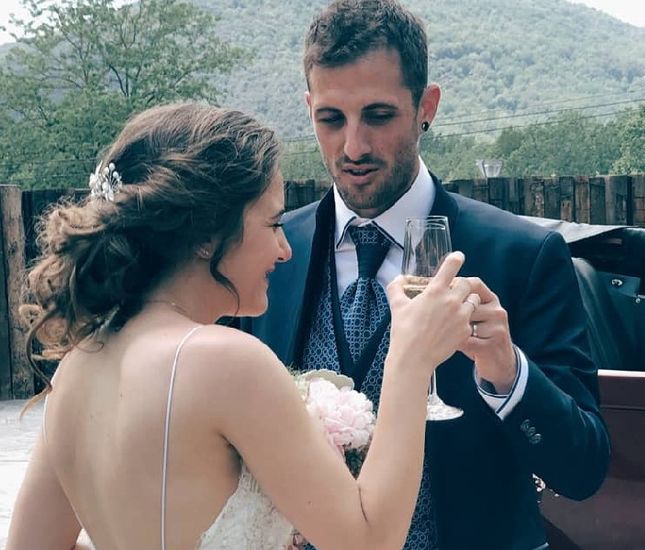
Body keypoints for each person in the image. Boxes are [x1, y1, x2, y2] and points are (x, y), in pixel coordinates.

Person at [6, 102, 481, 549]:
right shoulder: (224, 361)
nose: (285, 249)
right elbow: (370, 539)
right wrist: (410, 359)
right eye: (272, 224)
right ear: (207, 236)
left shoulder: (76, 367)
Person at [243, 1, 611, 548]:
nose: (354, 146)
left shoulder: (522, 255)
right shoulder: (270, 254)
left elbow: (582, 470)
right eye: (331, 119)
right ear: (309, 109)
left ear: (426, 107)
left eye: (379, 115)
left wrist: (507, 373)